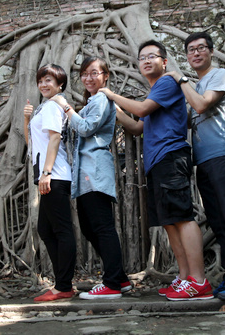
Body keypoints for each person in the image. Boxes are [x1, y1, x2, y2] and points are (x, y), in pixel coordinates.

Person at [100, 40, 213, 301]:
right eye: (142, 58)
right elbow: (138, 127)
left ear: (164, 62)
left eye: (152, 56)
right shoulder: (154, 95)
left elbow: (140, 110)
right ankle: (185, 279)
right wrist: (115, 109)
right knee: (170, 221)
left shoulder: (167, 84)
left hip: (171, 157)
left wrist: (111, 94)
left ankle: (199, 280)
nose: (146, 61)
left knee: (182, 217)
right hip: (157, 162)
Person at [165, 31, 225, 302]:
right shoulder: (195, 85)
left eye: (200, 48)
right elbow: (185, 120)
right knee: (219, 221)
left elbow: (201, 104)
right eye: (191, 50)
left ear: (211, 52)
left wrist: (179, 78)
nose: (195, 53)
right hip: (203, 161)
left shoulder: (219, 76)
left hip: (222, 155)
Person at [50, 57, 132, 299]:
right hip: (85, 173)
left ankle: (111, 284)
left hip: (95, 170)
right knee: (89, 226)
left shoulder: (101, 99)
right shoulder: (92, 101)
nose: (88, 78)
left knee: (102, 227)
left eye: (94, 73)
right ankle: (120, 278)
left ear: (105, 76)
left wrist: (66, 107)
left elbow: (86, 128)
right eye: (84, 73)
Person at [23, 64, 76, 302]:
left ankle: (64, 286)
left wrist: (46, 172)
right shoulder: (43, 108)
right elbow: (33, 142)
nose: (44, 85)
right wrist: (26, 119)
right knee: (45, 229)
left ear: (60, 84)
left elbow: (55, 138)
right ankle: (61, 282)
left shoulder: (55, 105)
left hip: (54, 176)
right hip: (47, 176)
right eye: (41, 80)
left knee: (62, 230)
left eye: (49, 80)